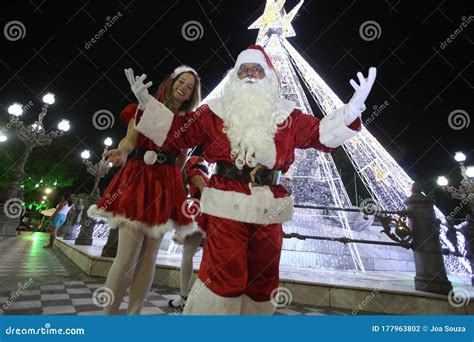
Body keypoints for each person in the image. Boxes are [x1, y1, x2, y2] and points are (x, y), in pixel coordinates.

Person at [128, 45, 377, 315]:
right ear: (235, 77)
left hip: (269, 204)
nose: (249, 74)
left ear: (268, 75)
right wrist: (148, 105)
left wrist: (350, 113)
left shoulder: (287, 115)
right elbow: (179, 134)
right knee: (224, 274)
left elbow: (318, 134)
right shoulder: (215, 111)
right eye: (243, 69)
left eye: (256, 69)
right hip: (226, 200)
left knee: (263, 278)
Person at [88, 65, 202, 315]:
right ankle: (108, 317)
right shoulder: (143, 106)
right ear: (172, 83)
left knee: (149, 257)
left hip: (166, 184)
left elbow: (180, 160)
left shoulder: (186, 123)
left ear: (193, 95)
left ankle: (134, 318)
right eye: (181, 81)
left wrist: (175, 186)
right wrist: (123, 151)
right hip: (139, 178)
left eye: (190, 87)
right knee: (126, 257)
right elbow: (131, 139)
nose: (184, 87)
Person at [169, 156, 209, 312]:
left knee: (187, 255)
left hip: (200, 212)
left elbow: (204, 190)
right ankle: (193, 297)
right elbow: (206, 190)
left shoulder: (194, 171)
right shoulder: (202, 173)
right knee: (205, 257)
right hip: (207, 213)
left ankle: (184, 296)